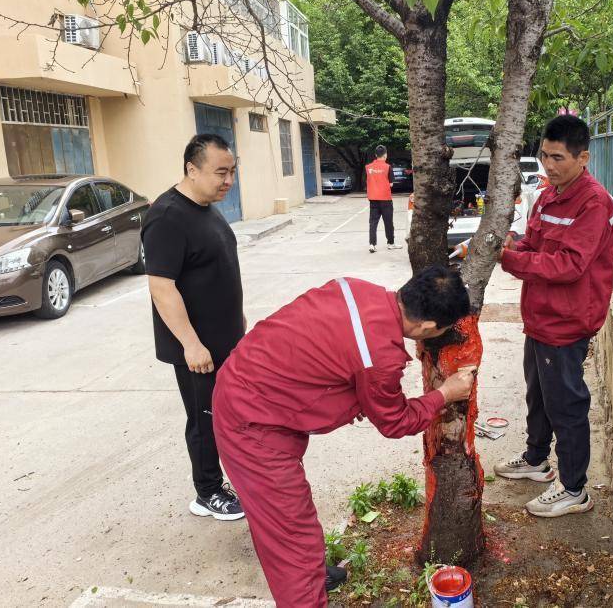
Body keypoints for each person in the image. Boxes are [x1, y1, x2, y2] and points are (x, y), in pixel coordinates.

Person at [213, 266, 476, 606]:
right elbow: (395, 422)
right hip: (252, 425)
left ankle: (310, 577)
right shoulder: (377, 356)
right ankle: (304, 591)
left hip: (251, 384)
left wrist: (351, 398)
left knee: (295, 531)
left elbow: (326, 351)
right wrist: (445, 394)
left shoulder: (354, 288)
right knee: (293, 538)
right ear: (426, 327)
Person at [493, 114, 613, 518]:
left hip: (566, 322)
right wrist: (511, 242)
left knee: (565, 403)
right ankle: (536, 460)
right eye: (544, 155)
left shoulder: (593, 203)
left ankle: (574, 488)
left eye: (559, 158)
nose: (549, 165)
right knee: (539, 394)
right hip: (541, 316)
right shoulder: (551, 193)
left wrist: (510, 261)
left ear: (583, 157)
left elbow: (568, 265)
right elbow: (535, 241)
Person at [142, 134, 246, 521]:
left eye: (232, 172)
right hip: (197, 347)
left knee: (226, 413)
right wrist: (191, 344)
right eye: (221, 172)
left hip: (225, 338)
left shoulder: (206, 207)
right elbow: (161, 286)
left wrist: (239, 319)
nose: (228, 181)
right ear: (191, 169)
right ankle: (207, 492)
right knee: (205, 418)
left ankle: (220, 482)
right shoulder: (168, 217)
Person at [366, 144, 402, 252]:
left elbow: (368, 181)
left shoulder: (368, 167)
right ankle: (390, 243)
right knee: (388, 222)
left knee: (373, 222)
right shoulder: (388, 167)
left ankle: (372, 244)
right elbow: (391, 184)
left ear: (375, 155)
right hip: (385, 199)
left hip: (373, 199)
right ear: (385, 155)